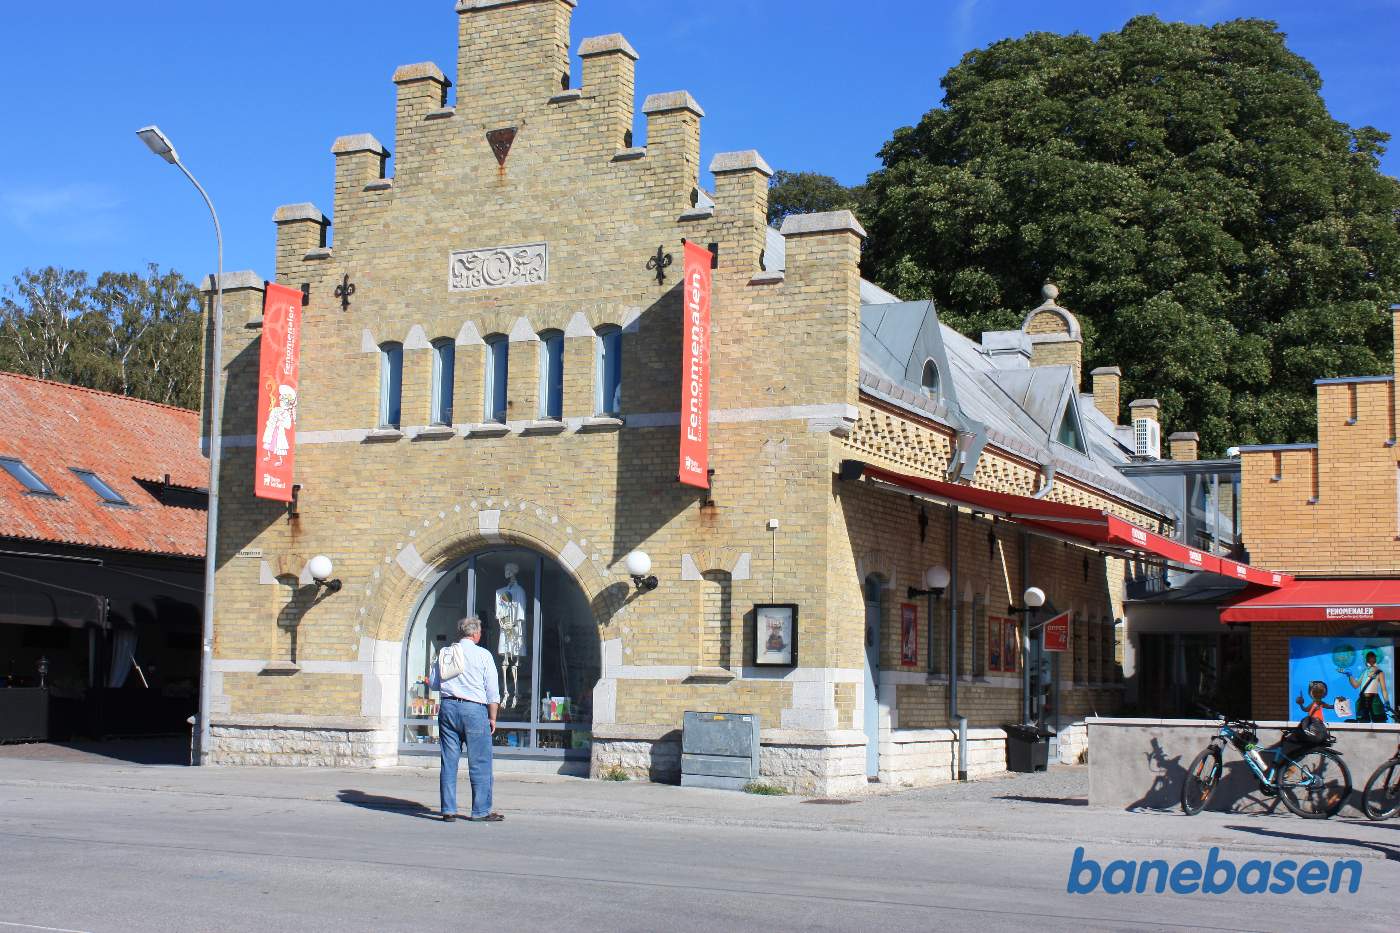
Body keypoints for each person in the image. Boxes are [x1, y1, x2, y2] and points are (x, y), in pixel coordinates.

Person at [431, 617, 504, 823]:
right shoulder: (483, 654)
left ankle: (448, 809)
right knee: (480, 761)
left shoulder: (445, 653)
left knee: (449, 760)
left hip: (448, 708)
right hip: (474, 709)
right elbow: (492, 690)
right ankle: (480, 810)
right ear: (476, 634)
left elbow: (434, 683)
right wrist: (492, 717)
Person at [1344, 651, 1391, 723]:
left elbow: (1383, 689)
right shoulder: (1364, 672)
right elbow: (1356, 685)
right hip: (1363, 699)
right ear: (1367, 661)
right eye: (1369, 659)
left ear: (1375, 660)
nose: (1371, 661)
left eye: (1373, 659)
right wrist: (1350, 675)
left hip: (1374, 700)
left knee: (1380, 721)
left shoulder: (1379, 672)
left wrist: (1386, 701)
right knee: (1363, 721)